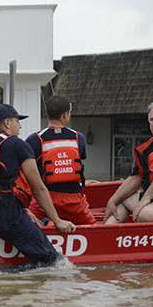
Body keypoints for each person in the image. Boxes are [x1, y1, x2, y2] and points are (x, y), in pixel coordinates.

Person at [0, 103, 75, 266]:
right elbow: (38, 188)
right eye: (17, 121)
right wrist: (57, 220)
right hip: (8, 218)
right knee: (54, 261)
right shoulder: (17, 144)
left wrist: (23, 210)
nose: (20, 126)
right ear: (7, 123)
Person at [26, 95, 96, 224]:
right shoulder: (78, 137)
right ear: (65, 115)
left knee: (31, 222)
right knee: (92, 228)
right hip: (74, 202)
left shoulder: (34, 139)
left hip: (44, 202)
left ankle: (48, 225)